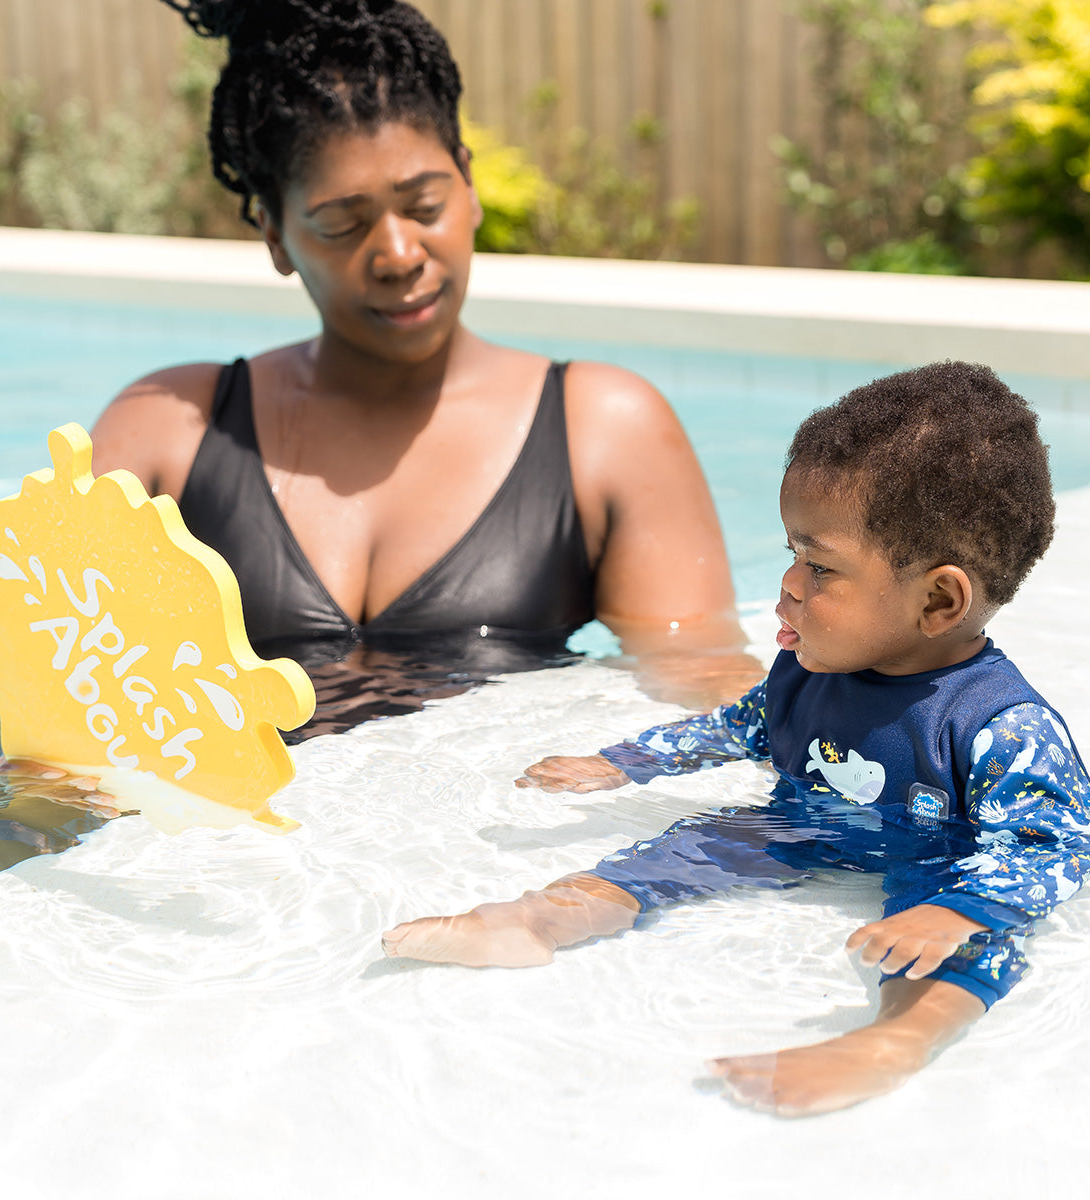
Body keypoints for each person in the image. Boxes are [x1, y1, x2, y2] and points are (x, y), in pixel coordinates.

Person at [383, 361, 1090, 1116]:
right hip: (804, 823)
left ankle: (895, 1041)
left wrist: (962, 907)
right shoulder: (808, 670)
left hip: (935, 861)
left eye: (819, 566)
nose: (788, 585)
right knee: (691, 845)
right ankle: (545, 917)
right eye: (793, 554)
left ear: (939, 599)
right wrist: (625, 763)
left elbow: (1055, 847)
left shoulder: (1001, 727)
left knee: (963, 944)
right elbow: (738, 726)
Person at [89, 0, 755, 739]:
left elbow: (706, 698)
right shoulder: (166, 436)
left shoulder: (603, 430)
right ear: (275, 235)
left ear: (467, 185)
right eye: (343, 224)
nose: (399, 254)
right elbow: (51, 717)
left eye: (425, 205)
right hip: (233, 854)